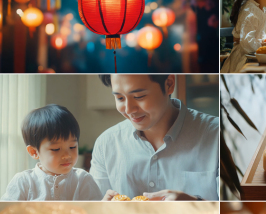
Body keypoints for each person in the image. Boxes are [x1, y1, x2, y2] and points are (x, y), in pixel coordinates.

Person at [90, 75, 219, 200]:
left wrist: (196, 205)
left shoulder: (218, 135)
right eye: (120, 98)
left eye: (139, 96)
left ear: (169, 84)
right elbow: (94, 211)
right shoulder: (106, 144)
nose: (129, 110)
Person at [1, 104, 103, 200]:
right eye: (56, 149)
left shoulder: (83, 180)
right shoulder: (23, 181)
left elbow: (96, 213)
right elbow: (4, 212)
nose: (67, 155)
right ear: (34, 152)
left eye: (72, 147)